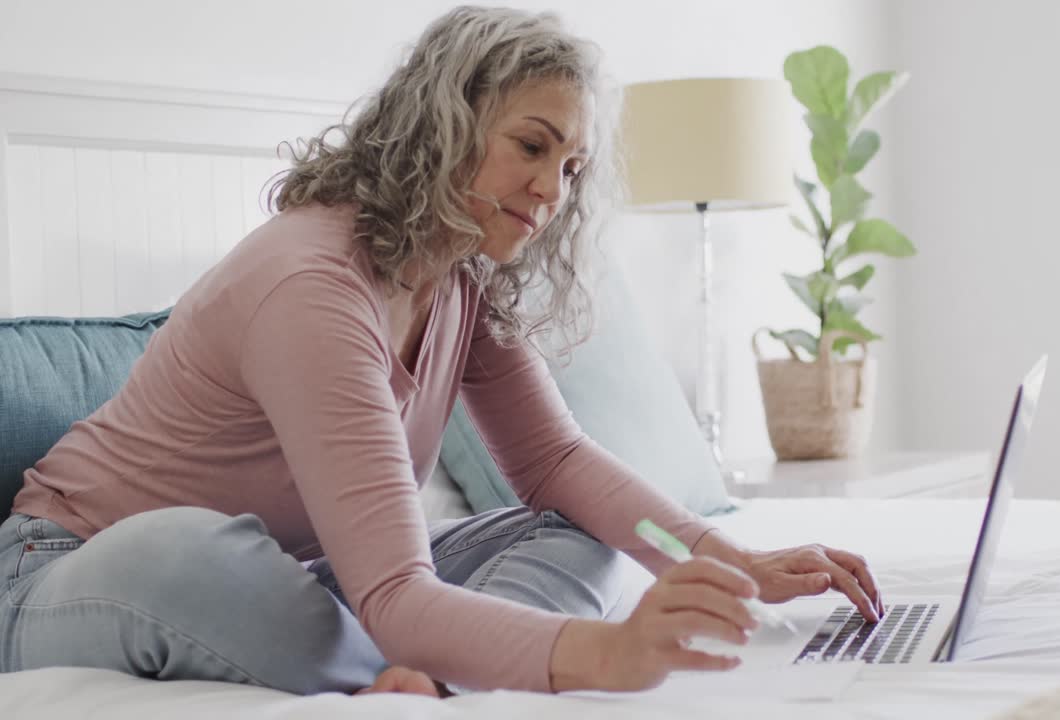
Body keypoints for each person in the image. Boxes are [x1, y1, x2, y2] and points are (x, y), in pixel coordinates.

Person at [0, 5, 883, 697]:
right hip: (69, 567)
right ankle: (429, 659)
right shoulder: (312, 285)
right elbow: (392, 592)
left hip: (311, 580)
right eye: (531, 146)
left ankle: (436, 668)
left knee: (585, 528)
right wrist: (604, 654)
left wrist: (717, 559)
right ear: (442, 126)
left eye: (572, 167)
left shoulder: (462, 277)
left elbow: (560, 463)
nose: (550, 190)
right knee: (196, 554)